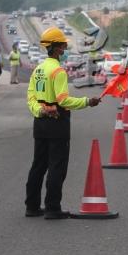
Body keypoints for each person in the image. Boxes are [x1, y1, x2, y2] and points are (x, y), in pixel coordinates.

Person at [25, 27, 101, 219]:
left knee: (38, 165)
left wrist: (40, 110)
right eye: (64, 45)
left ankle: (32, 206)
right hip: (57, 123)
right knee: (57, 166)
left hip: (40, 122)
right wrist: (86, 102)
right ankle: (52, 208)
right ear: (57, 48)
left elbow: (30, 97)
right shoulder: (58, 71)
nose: (65, 48)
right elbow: (63, 101)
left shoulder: (39, 69)